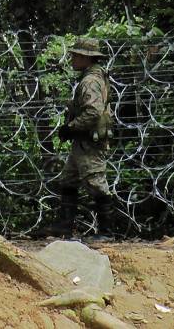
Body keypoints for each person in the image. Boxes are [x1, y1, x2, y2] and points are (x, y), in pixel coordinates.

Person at [47, 37, 116, 240]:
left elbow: (93, 112)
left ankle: (106, 232)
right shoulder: (95, 77)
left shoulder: (89, 81)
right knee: (68, 179)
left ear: (87, 58)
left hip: (89, 142)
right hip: (83, 141)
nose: (72, 60)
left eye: (76, 56)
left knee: (96, 182)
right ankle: (64, 227)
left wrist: (71, 127)